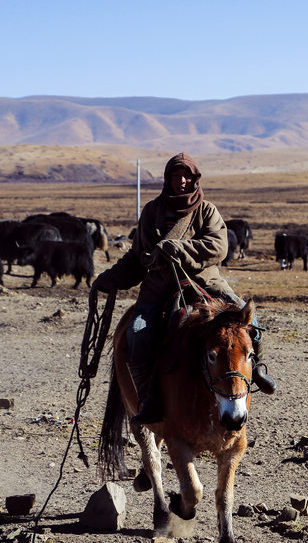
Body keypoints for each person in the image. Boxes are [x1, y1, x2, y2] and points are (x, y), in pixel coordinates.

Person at [92, 152, 276, 425]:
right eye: (175, 176)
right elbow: (137, 257)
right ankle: (148, 397)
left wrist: (179, 248)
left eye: (187, 176)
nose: (181, 181)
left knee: (246, 317)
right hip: (158, 289)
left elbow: (218, 247)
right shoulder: (152, 212)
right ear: (167, 179)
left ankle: (257, 368)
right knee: (138, 331)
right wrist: (107, 279)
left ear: (195, 179)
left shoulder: (206, 211)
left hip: (203, 284)